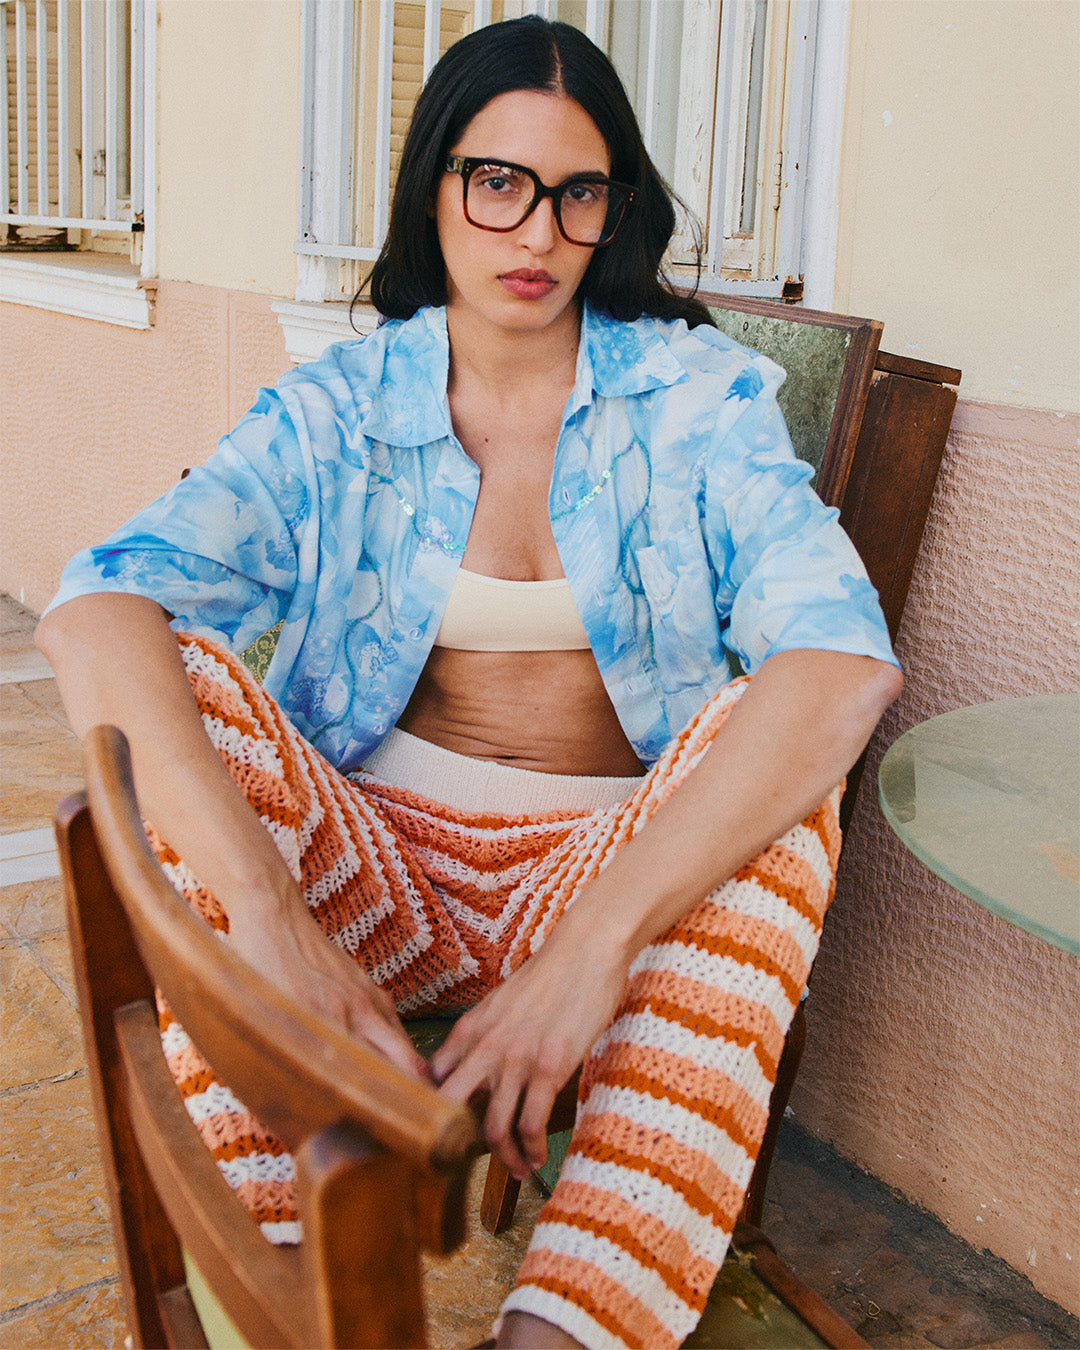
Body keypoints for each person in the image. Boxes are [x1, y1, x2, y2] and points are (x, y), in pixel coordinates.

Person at [38, 16, 901, 1350]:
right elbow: (96, 610)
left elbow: (841, 666)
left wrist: (590, 949)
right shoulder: (341, 407)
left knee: (776, 775)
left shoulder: (694, 401)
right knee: (181, 688)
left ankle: (558, 1329)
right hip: (375, 868)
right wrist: (271, 913)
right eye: (497, 182)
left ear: (614, 210)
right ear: (433, 186)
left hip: (604, 870)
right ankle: (295, 1278)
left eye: (577, 192)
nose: (537, 232)